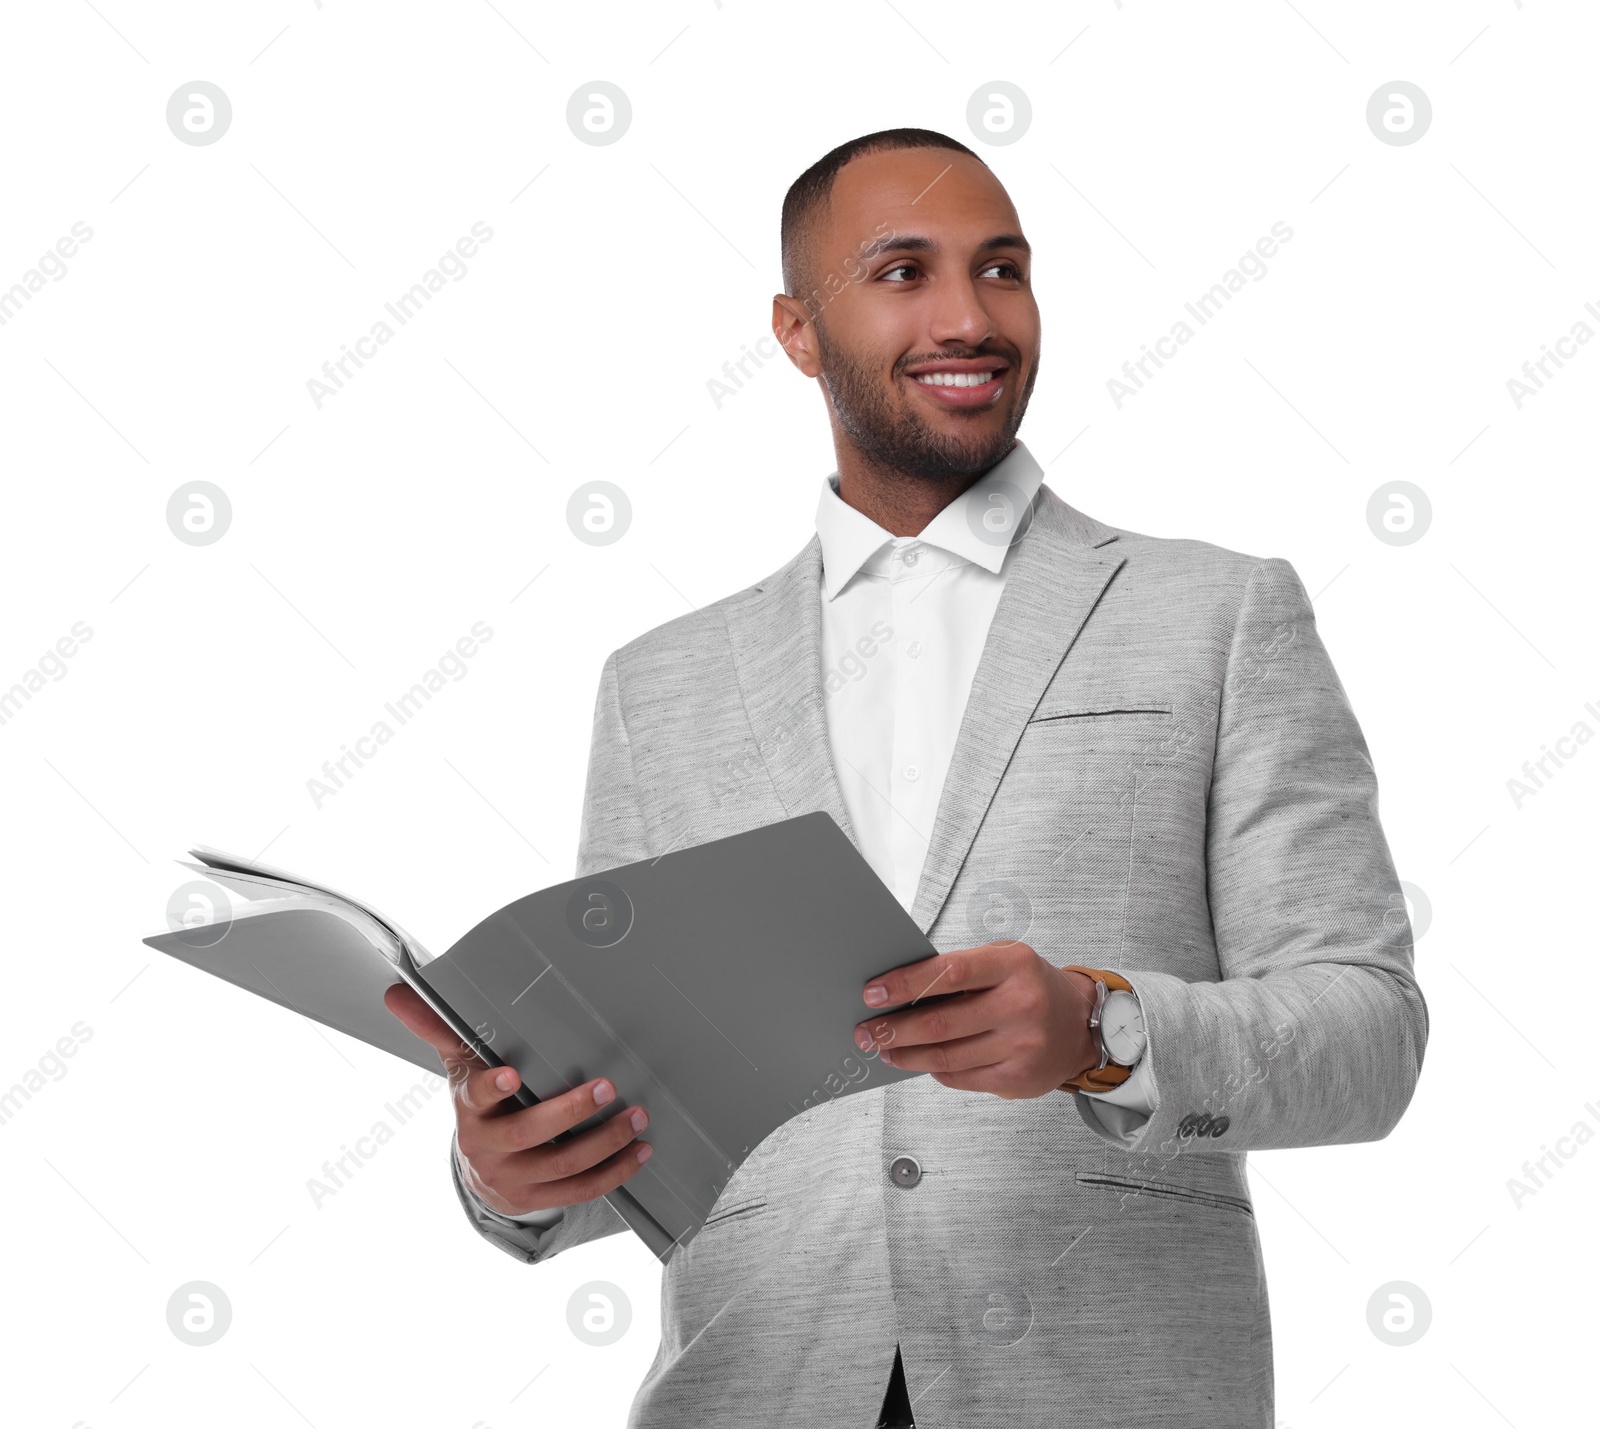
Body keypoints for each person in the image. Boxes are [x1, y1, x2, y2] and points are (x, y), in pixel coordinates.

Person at [386, 126, 1429, 1428]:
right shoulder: (661, 683)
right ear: (797, 329)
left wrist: (1101, 1029)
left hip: (1105, 1387)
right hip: (753, 1386)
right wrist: (513, 1170)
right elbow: (636, 1109)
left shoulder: (1218, 617)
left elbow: (1370, 1036)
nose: (969, 316)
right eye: (902, 272)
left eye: (1002, 269)